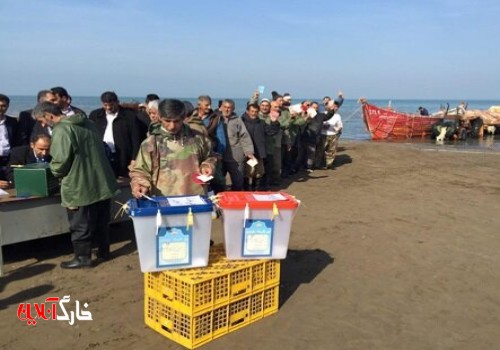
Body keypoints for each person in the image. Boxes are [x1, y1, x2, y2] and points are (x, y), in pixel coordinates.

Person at [32, 102, 119, 269]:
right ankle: (104, 252)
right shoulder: (89, 123)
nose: (42, 125)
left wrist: (53, 171)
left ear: (49, 115)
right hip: (101, 180)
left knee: (80, 224)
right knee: (101, 220)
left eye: (42, 120)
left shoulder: (62, 130)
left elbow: (61, 161)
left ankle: (82, 258)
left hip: (79, 184)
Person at [130, 99, 216, 197]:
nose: (172, 126)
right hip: (163, 198)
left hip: (196, 198)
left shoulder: (198, 139)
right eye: (167, 121)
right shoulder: (151, 143)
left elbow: (211, 157)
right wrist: (140, 185)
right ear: (159, 117)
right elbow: (140, 171)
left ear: (183, 118)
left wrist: (207, 166)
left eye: (176, 121)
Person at [89, 91, 142, 178]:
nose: (108, 108)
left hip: (122, 155)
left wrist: (134, 158)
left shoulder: (129, 116)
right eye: (105, 105)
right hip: (102, 153)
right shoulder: (95, 115)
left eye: (111, 105)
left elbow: (136, 138)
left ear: (117, 102)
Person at [206, 99, 255, 191]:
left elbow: (244, 136)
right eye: (225, 107)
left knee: (238, 181)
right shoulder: (214, 119)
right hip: (219, 156)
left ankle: (236, 200)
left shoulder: (237, 120)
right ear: (221, 107)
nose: (227, 110)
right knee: (218, 182)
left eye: (229, 108)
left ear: (233, 108)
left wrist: (249, 152)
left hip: (236, 157)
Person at [241, 103, 267, 191]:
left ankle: (256, 190)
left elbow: (269, 132)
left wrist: (275, 122)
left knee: (259, 173)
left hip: (259, 152)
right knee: (247, 173)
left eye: (256, 112)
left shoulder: (262, 123)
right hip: (246, 153)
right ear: (247, 111)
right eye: (252, 111)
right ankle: (246, 191)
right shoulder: (242, 122)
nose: (254, 113)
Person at [316, 100, 343, 169]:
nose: (334, 108)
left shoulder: (337, 116)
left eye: (336, 107)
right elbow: (318, 123)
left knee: (331, 150)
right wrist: (323, 126)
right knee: (320, 150)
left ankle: (329, 164)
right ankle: (317, 164)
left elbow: (340, 125)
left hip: (333, 134)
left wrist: (337, 129)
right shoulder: (323, 113)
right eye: (333, 106)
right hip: (323, 134)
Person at [0, 94, 18, 189]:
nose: (1, 108)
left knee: (9, 186)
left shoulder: (12, 122)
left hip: (8, 159)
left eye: (3, 106)